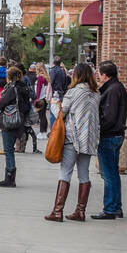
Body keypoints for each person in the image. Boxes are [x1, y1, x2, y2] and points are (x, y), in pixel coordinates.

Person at [45, 62, 99, 222]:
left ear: (76, 75)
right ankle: (80, 211)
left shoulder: (73, 92)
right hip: (88, 139)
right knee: (84, 174)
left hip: (72, 138)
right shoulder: (97, 94)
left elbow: (62, 114)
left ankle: (57, 211)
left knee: (65, 173)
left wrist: (54, 105)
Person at [92, 60, 127, 220]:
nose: (97, 76)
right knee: (112, 173)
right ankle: (115, 206)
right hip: (114, 135)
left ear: (104, 75)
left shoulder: (112, 90)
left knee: (109, 174)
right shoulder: (115, 88)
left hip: (109, 136)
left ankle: (111, 208)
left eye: (98, 73)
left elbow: (109, 117)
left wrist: (98, 129)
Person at [0, 67, 31, 188]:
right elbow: (27, 106)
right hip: (20, 123)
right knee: (10, 149)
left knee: (8, 150)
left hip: (10, 123)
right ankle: (10, 177)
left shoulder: (11, 89)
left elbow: (1, 104)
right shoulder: (24, 88)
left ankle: (9, 179)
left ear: (9, 77)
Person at [33, 62, 49, 134]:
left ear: (38, 69)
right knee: (43, 115)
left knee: (41, 116)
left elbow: (38, 89)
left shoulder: (40, 77)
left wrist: (36, 99)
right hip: (44, 98)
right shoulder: (45, 77)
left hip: (40, 98)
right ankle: (44, 131)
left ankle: (42, 132)